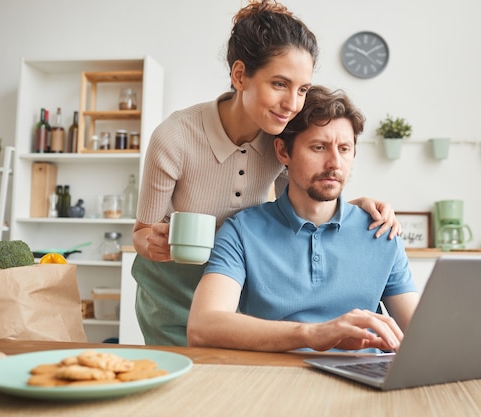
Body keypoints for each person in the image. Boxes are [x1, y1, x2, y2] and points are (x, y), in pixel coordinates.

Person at [132, 0, 401, 346]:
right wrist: (151, 242)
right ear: (240, 75)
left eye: (302, 89)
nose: (292, 103)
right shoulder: (175, 137)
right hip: (171, 290)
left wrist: (352, 207)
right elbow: (140, 232)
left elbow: (301, 198)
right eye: (280, 84)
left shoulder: (280, 138)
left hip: (237, 287)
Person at [187, 86, 420, 353]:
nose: (335, 163)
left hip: (365, 383)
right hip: (275, 383)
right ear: (283, 152)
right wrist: (312, 334)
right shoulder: (242, 231)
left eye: (344, 149)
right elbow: (202, 327)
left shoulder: (381, 231)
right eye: (319, 147)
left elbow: (420, 334)